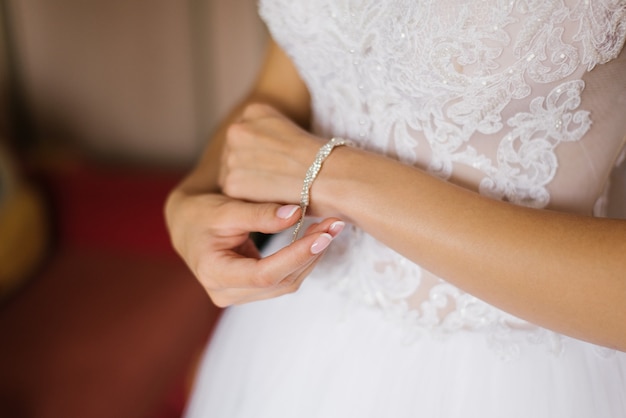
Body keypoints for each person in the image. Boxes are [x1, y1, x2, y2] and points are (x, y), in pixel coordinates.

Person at [165, 1, 626, 417]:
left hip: (527, 369)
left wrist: (335, 176)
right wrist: (191, 199)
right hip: (302, 321)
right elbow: (285, 88)